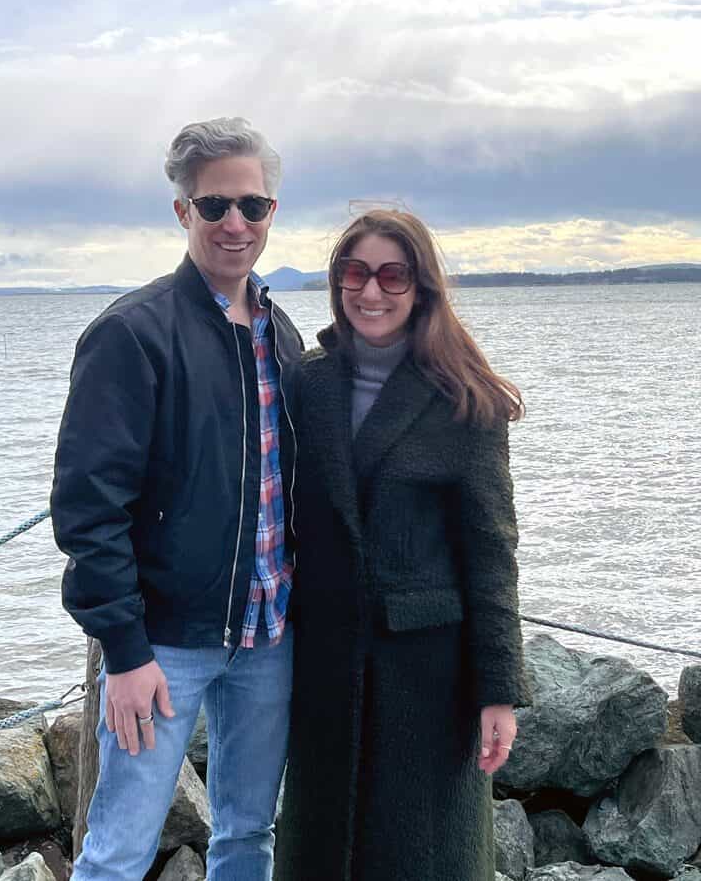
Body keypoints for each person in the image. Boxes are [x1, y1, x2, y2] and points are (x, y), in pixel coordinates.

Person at [51, 117, 303, 881]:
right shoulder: (131, 334)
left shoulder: (282, 334)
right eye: (214, 205)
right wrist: (124, 651)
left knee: (249, 835)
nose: (235, 223)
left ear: (271, 211)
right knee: (117, 852)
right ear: (182, 210)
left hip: (269, 635)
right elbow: (88, 507)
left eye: (251, 206)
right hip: (163, 644)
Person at [274, 209, 530, 881]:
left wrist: (498, 691)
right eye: (355, 272)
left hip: (428, 678)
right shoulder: (306, 383)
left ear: (421, 288)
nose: (371, 291)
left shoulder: (465, 399)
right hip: (324, 665)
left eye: (393, 276)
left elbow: (492, 554)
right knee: (322, 854)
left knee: (422, 857)